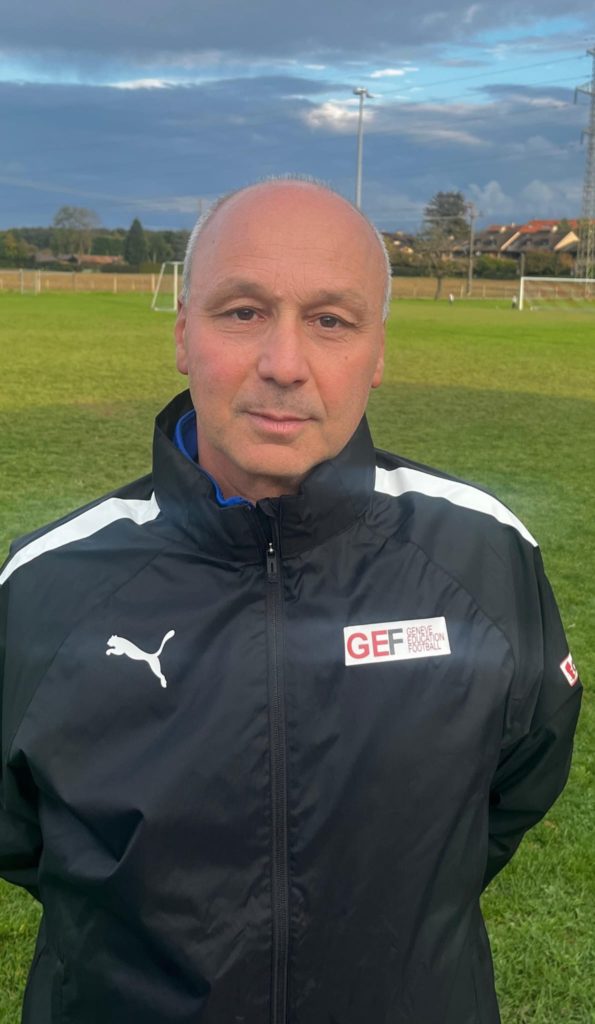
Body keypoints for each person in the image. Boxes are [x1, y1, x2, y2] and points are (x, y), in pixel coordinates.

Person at [0, 179, 582, 1024]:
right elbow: (23, 835)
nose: (283, 363)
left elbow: (516, 783)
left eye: (330, 320)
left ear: (377, 352)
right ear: (182, 334)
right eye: (241, 312)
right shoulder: (51, 584)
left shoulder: (482, 556)